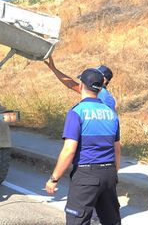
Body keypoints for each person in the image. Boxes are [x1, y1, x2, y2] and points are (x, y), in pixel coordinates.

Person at [44, 68, 121, 225]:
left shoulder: (77, 112)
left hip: (86, 175)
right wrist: (113, 172)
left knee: (77, 220)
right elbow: (117, 149)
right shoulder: (111, 113)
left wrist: (54, 178)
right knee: (111, 221)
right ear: (100, 87)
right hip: (109, 174)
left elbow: (69, 150)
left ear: (81, 86)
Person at [45, 57, 117, 111]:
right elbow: (71, 84)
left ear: (104, 80)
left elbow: (71, 84)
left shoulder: (101, 93)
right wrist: (54, 69)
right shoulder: (96, 92)